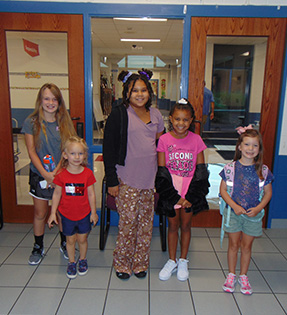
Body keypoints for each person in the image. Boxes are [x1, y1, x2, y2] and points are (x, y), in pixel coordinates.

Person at [103, 69, 165, 280]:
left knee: (145, 226)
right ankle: (122, 263)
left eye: (143, 90)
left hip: (150, 181)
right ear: (126, 93)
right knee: (128, 225)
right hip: (126, 179)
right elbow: (108, 149)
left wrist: (162, 176)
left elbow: (159, 145)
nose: (140, 94)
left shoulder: (156, 114)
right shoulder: (119, 114)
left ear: (150, 91)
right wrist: (112, 180)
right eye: (134, 90)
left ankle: (140, 263)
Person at [21, 83, 76, 265]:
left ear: (59, 102)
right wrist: (45, 174)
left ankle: (64, 243)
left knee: (61, 212)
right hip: (40, 175)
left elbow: (67, 150)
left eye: (54, 99)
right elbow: (31, 151)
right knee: (40, 212)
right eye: (46, 98)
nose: (50, 102)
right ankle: (38, 246)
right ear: (40, 100)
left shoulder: (64, 122)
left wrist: (56, 172)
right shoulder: (31, 122)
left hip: (61, 174)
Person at [156, 98, 210, 281]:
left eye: (185, 120)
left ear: (191, 120)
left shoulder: (196, 140)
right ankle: (171, 260)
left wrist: (191, 197)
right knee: (173, 226)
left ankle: (183, 260)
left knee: (186, 225)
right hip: (171, 189)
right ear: (171, 119)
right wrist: (174, 197)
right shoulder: (164, 140)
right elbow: (162, 171)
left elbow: (201, 171)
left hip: (189, 189)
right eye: (177, 119)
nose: (181, 123)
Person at [220, 128, 273, 295]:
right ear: (239, 147)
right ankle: (231, 275)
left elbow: (268, 193)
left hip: (253, 215)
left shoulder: (263, 171)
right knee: (233, 245)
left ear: (259, 149)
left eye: (255, 145)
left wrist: (258, 208)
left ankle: (243, 275)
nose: (251, 148)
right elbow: (222, 191)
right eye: (247, 144)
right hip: (233, 214)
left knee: (247, 246)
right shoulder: (230, 169)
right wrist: (234, 206)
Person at [48, 136, 98, 279]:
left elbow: (91, 194)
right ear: (65, 155)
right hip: (66, 215)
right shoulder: (61, 175)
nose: (77, 157)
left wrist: (93, 213)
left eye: (80, 153)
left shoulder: (88, 174)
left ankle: (82, 259)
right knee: (70, 240)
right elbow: (57, 194)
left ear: (85, 155)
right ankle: (71, 262)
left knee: (82, 239)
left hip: (83, 214)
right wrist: (53, 213)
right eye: (73, 153)